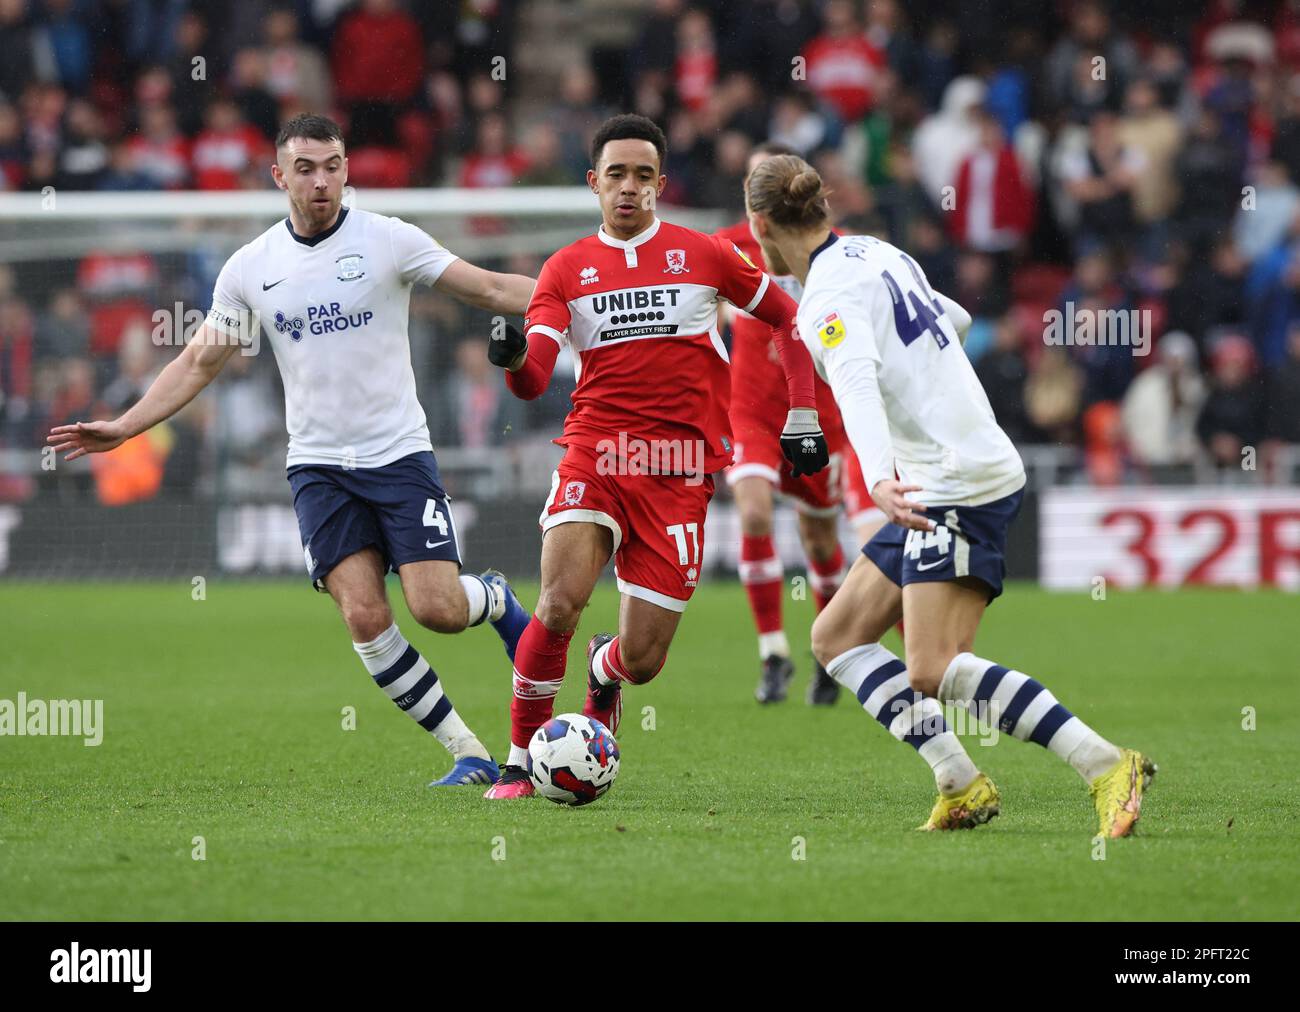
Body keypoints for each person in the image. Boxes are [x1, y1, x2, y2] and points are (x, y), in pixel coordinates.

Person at [47, 114, 533, 789]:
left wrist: (585, 298)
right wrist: (126, 425)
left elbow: (485, 288)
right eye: (304, 168)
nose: (320, 179)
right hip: (318, 467)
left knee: (438, 610)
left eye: (331, 165)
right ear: (279, 177)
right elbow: (198, 361)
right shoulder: (253, 267)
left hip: (398, 455)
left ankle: (499, 601)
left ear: (346, 170)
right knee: (365, 617)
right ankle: (467, 751)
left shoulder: (389, 240)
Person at [744, 153, 1156, 838]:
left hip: (951, 482)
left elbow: (852, 382)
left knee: (931, 667)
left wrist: (878, 475)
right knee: (837, 637)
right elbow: (955, 318)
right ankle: (960, 781)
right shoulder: (878, 252)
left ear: (760, 224)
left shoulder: (824, 300)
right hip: (952, 465)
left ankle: (1107, 763)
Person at [482, 114, 829, 799]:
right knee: (558, 601)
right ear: (594, 184)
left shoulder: (705, 254)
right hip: (596, 455)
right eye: (617, 174)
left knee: (642, 660)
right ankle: (521, 758)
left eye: (643, 175)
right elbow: (533, 378)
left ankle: (603, 672)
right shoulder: (565, 269)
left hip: (679, 470)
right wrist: (515, 359)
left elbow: (786, 319)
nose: (630, 187)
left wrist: (802, 409)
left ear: (661, 184)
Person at [715, 141, 876, 706]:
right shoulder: (729, 246)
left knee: (819, 538)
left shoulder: (841, 251)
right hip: (752, 410)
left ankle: (829, 653)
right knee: (754, 513)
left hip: (819, 416)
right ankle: (773, 652)